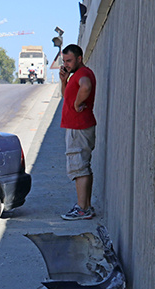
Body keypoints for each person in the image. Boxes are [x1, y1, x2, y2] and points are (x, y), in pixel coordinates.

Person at [59, 44, 97, 220]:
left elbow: (86, 86)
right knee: (83, 167)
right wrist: (64, 81)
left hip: (79, 127)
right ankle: (86, 207)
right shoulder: (76, 75)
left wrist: (77, 104)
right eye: (64, 61)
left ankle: (82, 208)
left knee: (79, 167)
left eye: (69, 60)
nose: (66, 64)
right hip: (79, 126)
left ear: (79, 59)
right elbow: (66, 97)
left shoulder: (83, 74)